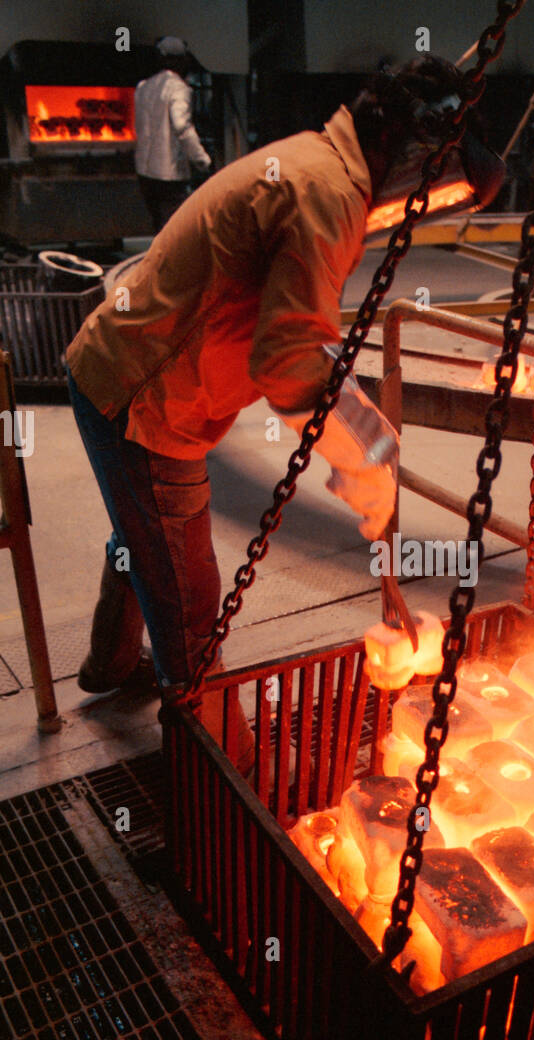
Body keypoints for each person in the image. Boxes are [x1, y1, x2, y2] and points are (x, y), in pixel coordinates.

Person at [64, 55, 503, 767]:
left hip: (127, 369)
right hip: (142, 394)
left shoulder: (320, 167)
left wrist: (361, 429)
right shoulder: (323, 194)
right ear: (415, 153)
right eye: (436, 193)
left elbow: (296, 330)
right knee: (187, 591)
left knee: (143, 534)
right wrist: (362, 448)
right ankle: (221, 770)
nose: (418, 212)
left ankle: (110, 668)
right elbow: (290, 362)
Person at [134, 35, 212, 231]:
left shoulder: (143, 87)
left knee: (157, 226)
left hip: (144, 171)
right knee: (174, 229)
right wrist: (202, 160)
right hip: (170, 173)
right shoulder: (179, 89)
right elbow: (182, 127)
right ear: (181, 60)